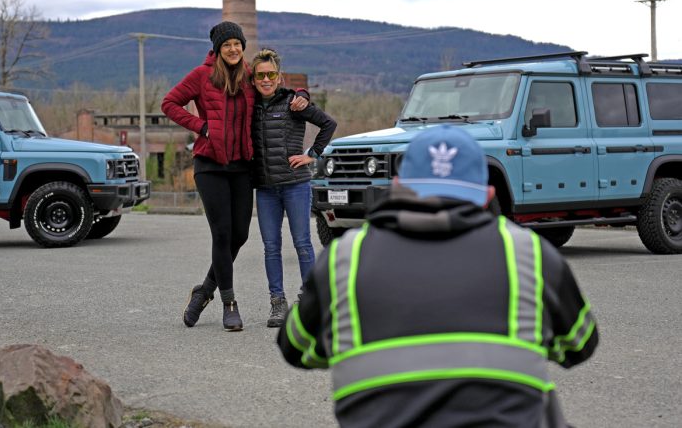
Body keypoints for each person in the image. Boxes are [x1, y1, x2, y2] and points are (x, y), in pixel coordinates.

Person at [277, 125, 598, 427]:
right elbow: (580, 344)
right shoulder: (528, 252)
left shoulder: (344, 257)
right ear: (487, 195)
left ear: (398, 186)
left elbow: (295, 346)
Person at [161, 21, 307, 332]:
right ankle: (229, 303)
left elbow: (273, 88)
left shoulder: (248, 77)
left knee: (240, 235)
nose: (233, 49)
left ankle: (204, 290)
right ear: (217, 49)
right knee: (222, 234)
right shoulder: (201, 76)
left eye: (237, 44)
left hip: (241, 166)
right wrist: (201, 126)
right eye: (226, 44)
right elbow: (169, 103)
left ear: (242, 46)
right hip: (210, 165)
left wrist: (302, 94)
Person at [250, 48, 337, 328]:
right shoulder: (250, 106)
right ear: (253, 79)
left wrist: (312, 154)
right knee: (271, 247)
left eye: (271, 74)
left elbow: (328, 124)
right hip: (265, 189)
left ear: (279, 77)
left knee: (302, 244)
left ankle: (310, 301)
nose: (266, 80)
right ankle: (277, 302)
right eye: (260, 75)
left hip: (295, 185)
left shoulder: (293, 103)